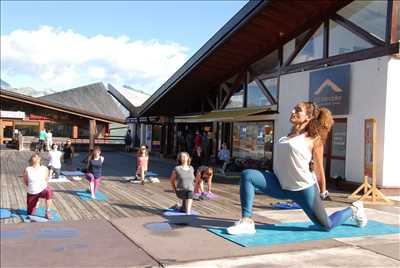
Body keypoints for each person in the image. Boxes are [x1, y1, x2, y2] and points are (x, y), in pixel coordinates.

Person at [227, 102, 368, 235]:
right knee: (248, 175)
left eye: (298, 110)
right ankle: (247, 221)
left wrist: (323, 191)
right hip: (280, 185)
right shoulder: (287, 137)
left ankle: (355, 209)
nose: (293, 111)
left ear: (309, 117)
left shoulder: (314, 139)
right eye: (294, 108)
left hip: (303, 190)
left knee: (326, 226)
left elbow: (319, 168)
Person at [23, 153, 53, 219]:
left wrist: (40, 186)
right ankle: (36, 203)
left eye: (37, 157)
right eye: (34, 157)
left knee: (49, 191)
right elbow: (25, 181)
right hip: (32, 192)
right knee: (30, 213)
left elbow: (46, 180)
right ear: (31, 160)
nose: (36, 158)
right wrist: (32, 187)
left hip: (42, 190)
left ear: (40, 159)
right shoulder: (28, 169)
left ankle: (48, 212)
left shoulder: (44, 168)